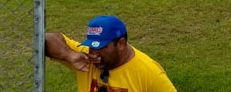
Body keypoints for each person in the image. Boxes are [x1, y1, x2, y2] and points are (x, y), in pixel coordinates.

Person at [45, 15, 177, 92]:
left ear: (120, 44)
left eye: (100, 47)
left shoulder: (149, 73)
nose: (94, 53)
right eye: (91, 46)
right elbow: (46, 39)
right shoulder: (84, 58)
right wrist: (69, 55)